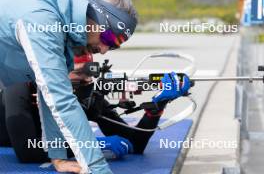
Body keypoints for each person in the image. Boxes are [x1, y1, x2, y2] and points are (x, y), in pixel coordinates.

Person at [0, 0, 138, 173]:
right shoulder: (43, 20)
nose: (104, 50)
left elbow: (46, 91)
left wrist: (58, 156)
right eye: (109, 37)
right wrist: (98, 169)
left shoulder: (61, 22)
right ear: (95, 15)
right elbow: (61, 100)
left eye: (115, 45)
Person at [0, 53, 191, 164]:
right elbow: (27, 150)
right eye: (77, 73)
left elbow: (135, 143)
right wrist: (95, 143)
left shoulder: (87, 94)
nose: (85, 81)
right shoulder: (18, 86)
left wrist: (157, 105)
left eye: (89, 73)